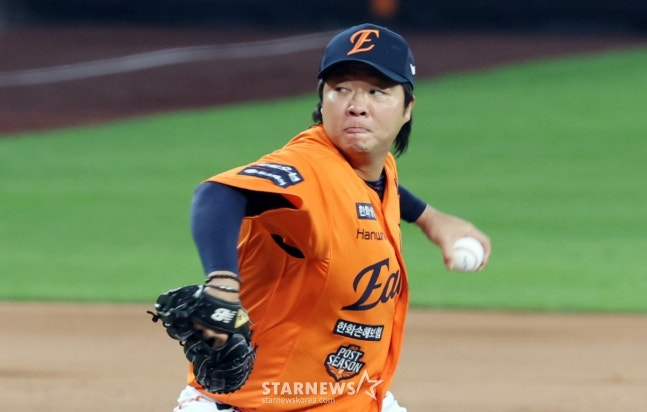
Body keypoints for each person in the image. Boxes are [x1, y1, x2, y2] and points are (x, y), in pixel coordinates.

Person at [169, 23, 491, 412]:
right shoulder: (308, 168)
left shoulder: (371, 165)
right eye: (341, 89)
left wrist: (430, 218)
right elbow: (218, 194)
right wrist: (223, 283)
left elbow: (372, 189)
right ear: (322, 100)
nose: (357, 105)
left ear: (407, 108)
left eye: (377, 91)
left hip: (350, 397)